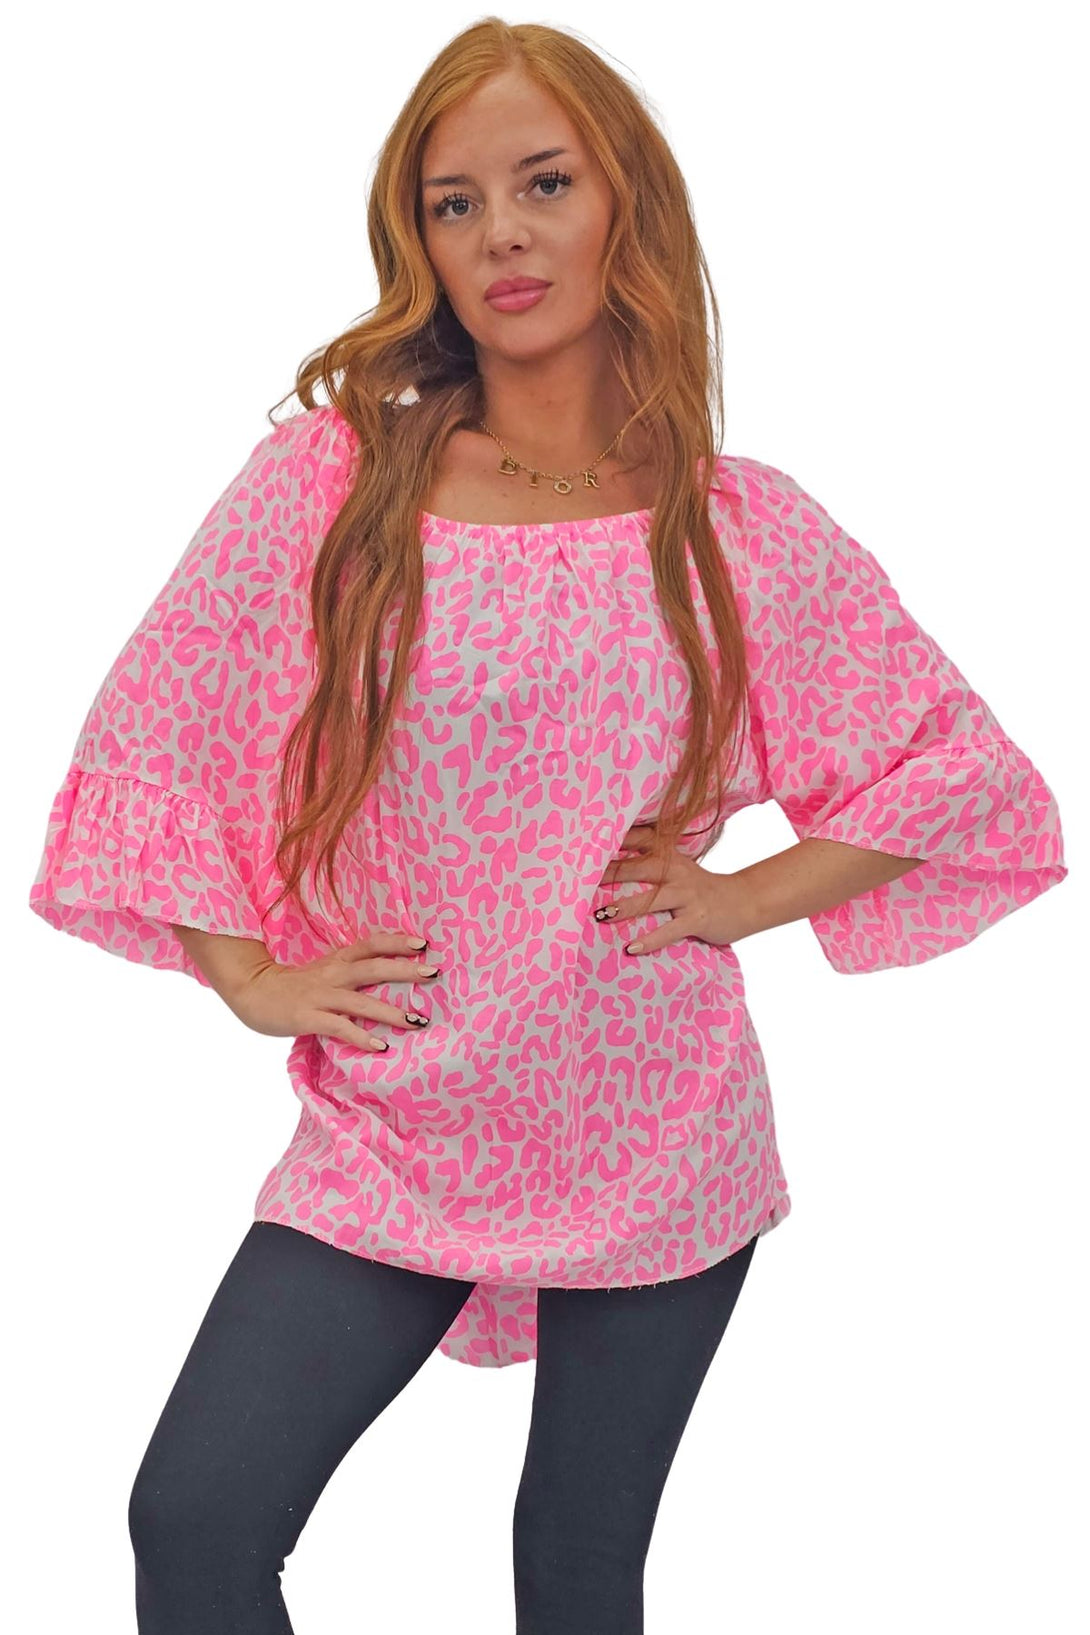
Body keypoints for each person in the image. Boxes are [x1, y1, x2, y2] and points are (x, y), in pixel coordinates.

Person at [26, 19, 1068, 1635]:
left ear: (622, 204)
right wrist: (249, 977)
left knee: (576, 1572)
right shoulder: (336, 483)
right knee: (197, 1516)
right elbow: (160, 722)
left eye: (543, 184)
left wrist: (737, 897)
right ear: (419, 245)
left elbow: (960, 774)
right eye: (453, 203)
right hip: (401, 1114)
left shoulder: (733, 525)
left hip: (655, 1122)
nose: (501, 234)